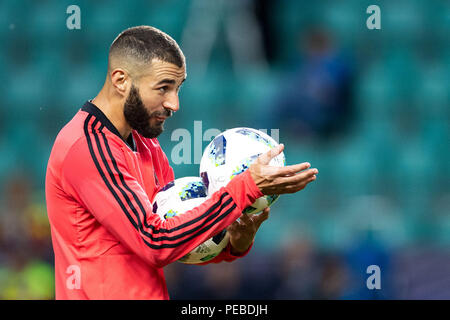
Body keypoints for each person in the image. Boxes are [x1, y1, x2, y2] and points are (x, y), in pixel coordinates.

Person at [45, 26, 318, 300]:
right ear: (120, 80)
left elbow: (176, 237)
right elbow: (156, 241)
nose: (174, 103)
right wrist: (245, 186)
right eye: (163, 88)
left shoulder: (144, 141)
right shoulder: (86, 146)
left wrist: (233, 243)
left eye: (177, 88)